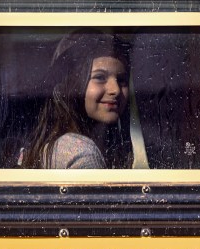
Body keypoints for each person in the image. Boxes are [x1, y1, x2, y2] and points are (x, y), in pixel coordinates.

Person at [22, 31, 133, 169]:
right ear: (72, 85)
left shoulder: (49, 145)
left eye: (122, 80)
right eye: (100, 77)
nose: (115, 90)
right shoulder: (83, 154)